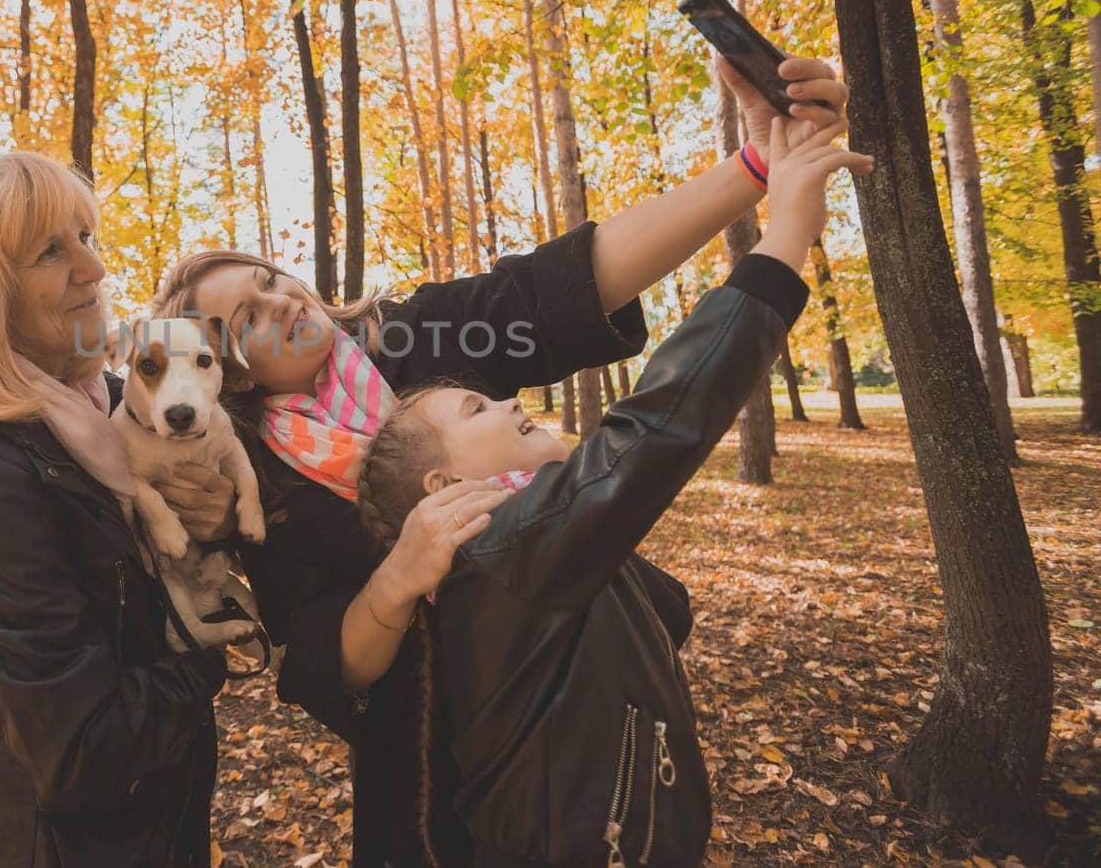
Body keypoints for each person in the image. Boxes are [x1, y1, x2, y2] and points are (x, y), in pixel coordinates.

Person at [151, 57, 853, 865]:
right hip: (429, 785)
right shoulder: (255, 483)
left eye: (270, 277)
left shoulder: (408, 333)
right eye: (245, 317)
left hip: (584, 731)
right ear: (225, 372)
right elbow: (319, 662)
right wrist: (394, 581)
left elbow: (559, 287)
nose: (278, 298)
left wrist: (760, 166)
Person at [353, 115, 867, 866]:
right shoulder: (504, 548)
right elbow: (660, 421)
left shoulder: (509, 555)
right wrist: (783, 241)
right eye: (477, 408)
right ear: (443, 486)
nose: (509, 401)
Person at [0, 151, 239, 868]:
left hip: (155, 830)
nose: (93, 269)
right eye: (50, 251)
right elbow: (82, 752)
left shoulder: (105, 412)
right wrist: (213, 647)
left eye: (86, 237)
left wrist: (218, 523)